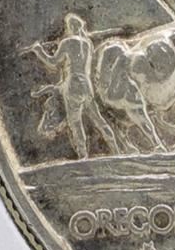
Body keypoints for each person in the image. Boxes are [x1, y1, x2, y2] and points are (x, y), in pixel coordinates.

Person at [25, 13, 120, 158]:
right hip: (86, 85)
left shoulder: (67, 42)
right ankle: (115, 149)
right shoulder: (87, 44)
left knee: (75, 122)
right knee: (98, 119)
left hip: (73, 84)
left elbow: (52, 62)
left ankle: (83, 155)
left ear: (70, 27)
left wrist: (38, 50)